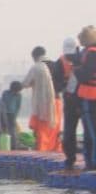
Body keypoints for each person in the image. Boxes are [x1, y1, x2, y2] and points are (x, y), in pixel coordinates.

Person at [23, 46, 59, 151]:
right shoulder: (56, 65)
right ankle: (54, 152)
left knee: (41, 131)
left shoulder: (37, 67)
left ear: (34, 56)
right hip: (57, 102)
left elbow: (26, 83)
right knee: (54, 131)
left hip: (42, 104)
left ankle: (41, 152)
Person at [75, 26, 96, 170]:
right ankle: (90, 162)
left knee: (91, 133)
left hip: (90, 97)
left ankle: (92, 164)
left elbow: (85, 75)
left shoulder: (90, 54)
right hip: (90, 97)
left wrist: (76, 69)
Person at [60, 38, 82, 169]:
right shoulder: (60, 63)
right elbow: (56, 81)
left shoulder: (87, 59)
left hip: (86, 101)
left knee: (91, 133)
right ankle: (70, 158)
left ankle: (91, 160)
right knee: (68, 133)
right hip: (70, 102)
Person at [1, 81, 24, 150]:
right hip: (4, 114)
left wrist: (15, 116)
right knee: (5, 130)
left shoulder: (19, 95)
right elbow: (2, 104)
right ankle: (5, 146)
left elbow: (18, 106)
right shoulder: (5, 93)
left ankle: (13, 146)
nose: (17, 92)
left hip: (12, 115)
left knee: (13, 131)